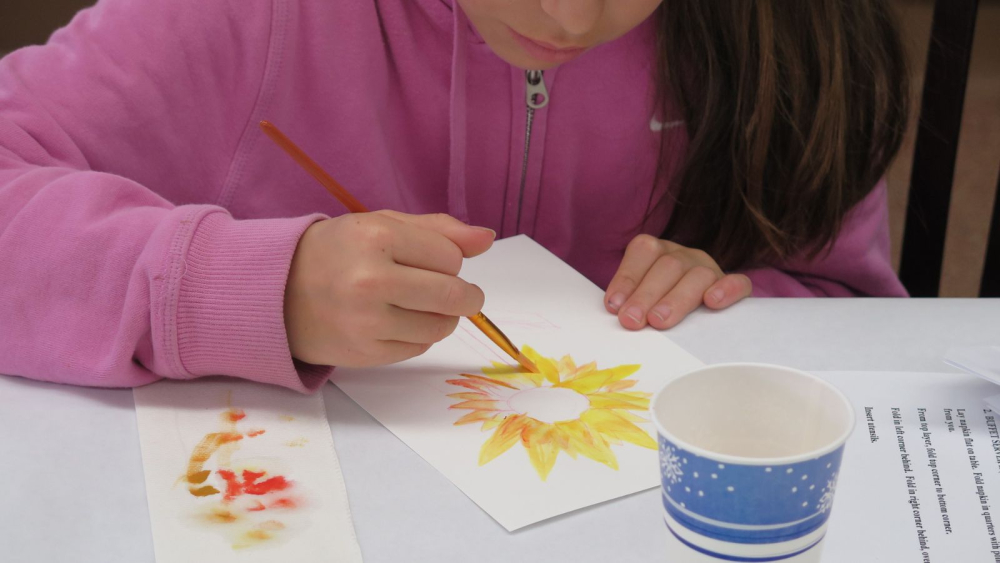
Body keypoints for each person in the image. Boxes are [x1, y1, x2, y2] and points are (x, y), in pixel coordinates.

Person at [0, 0, 909, 392]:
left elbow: (856, 312)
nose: (569, 19)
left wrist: (736, 298)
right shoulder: (247, 17)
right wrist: (242, 289)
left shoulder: (795, 43)